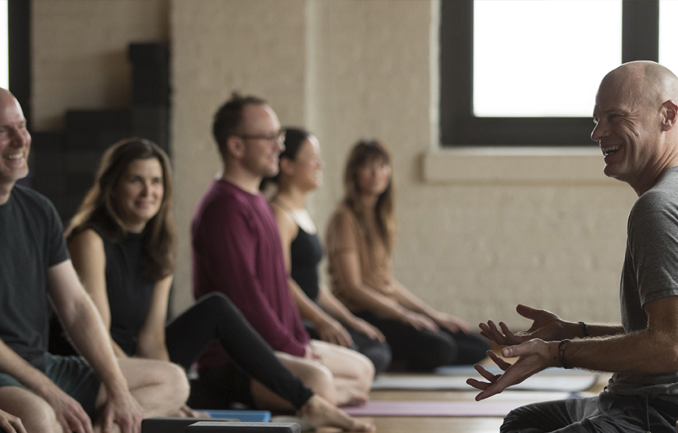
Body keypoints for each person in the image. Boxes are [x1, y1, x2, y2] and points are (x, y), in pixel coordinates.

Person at [469, 62, 678, 432]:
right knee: (523, 423)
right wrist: (570, 331)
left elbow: (670, 347)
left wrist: (555, 354)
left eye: (615, 117)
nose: (599, 133)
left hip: (670, 416)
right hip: (640, 402)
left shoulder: (661, 207)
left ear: (668, 115)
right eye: (597, 119)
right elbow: (663, 329)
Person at [49, 138, 372, 431]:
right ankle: (305, 400)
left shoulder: (159, 244)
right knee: (202, 340)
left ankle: (307, 402)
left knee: (214, 309)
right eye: (136, 180)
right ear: (113, 186)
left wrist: (167, 389)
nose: (149, 192)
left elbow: (151, 338)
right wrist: (156, 384)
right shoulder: (89, 239)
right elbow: (97, 334)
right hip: (95, 361)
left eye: (156, 181)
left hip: (136, 357)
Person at [0, 83, 189, 433]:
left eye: (22, 127)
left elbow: (75, 306)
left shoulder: (39, 210)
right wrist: (51, 392)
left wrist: (118, 390)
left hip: (44, 364)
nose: (20, 140)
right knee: (40, 417)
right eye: (1, 131)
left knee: (173, 381)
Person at [191, 94, 375, 413]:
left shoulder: (259, 201)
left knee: (364, 370)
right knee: (319, 382)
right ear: (235, 146)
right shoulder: (224, 208)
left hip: (276, 346)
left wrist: (300, 344)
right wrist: (293, 349)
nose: (279, 145)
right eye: (269, 137)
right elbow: (245, 298)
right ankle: (323, 396)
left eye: (280, 136)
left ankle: (325, 396)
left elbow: (279, 283)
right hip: (238, 358)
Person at [325, 139, 490, 372]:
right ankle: (391, 357)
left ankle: (406, 350)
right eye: (368, 167)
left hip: (387, 309)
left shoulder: (380, 218)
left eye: (382, 166)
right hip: (362, 313)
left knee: (477, 345)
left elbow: (387, 284)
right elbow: (353, 287)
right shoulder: (344, 217)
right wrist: (402, 315)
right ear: (354, 173)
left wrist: (434, 315)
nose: (376, 174)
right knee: (441, 348)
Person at [266, 129, 392, 375]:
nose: (319, 164)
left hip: (315, 313)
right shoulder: (279, 214)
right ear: (288, 165)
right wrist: (322, 321)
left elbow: (314, 285)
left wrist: (348, 319)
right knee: (372, 358)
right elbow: (283, 280)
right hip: (299, 320)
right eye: (312, 158)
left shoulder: (300, 212)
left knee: (377, 347)